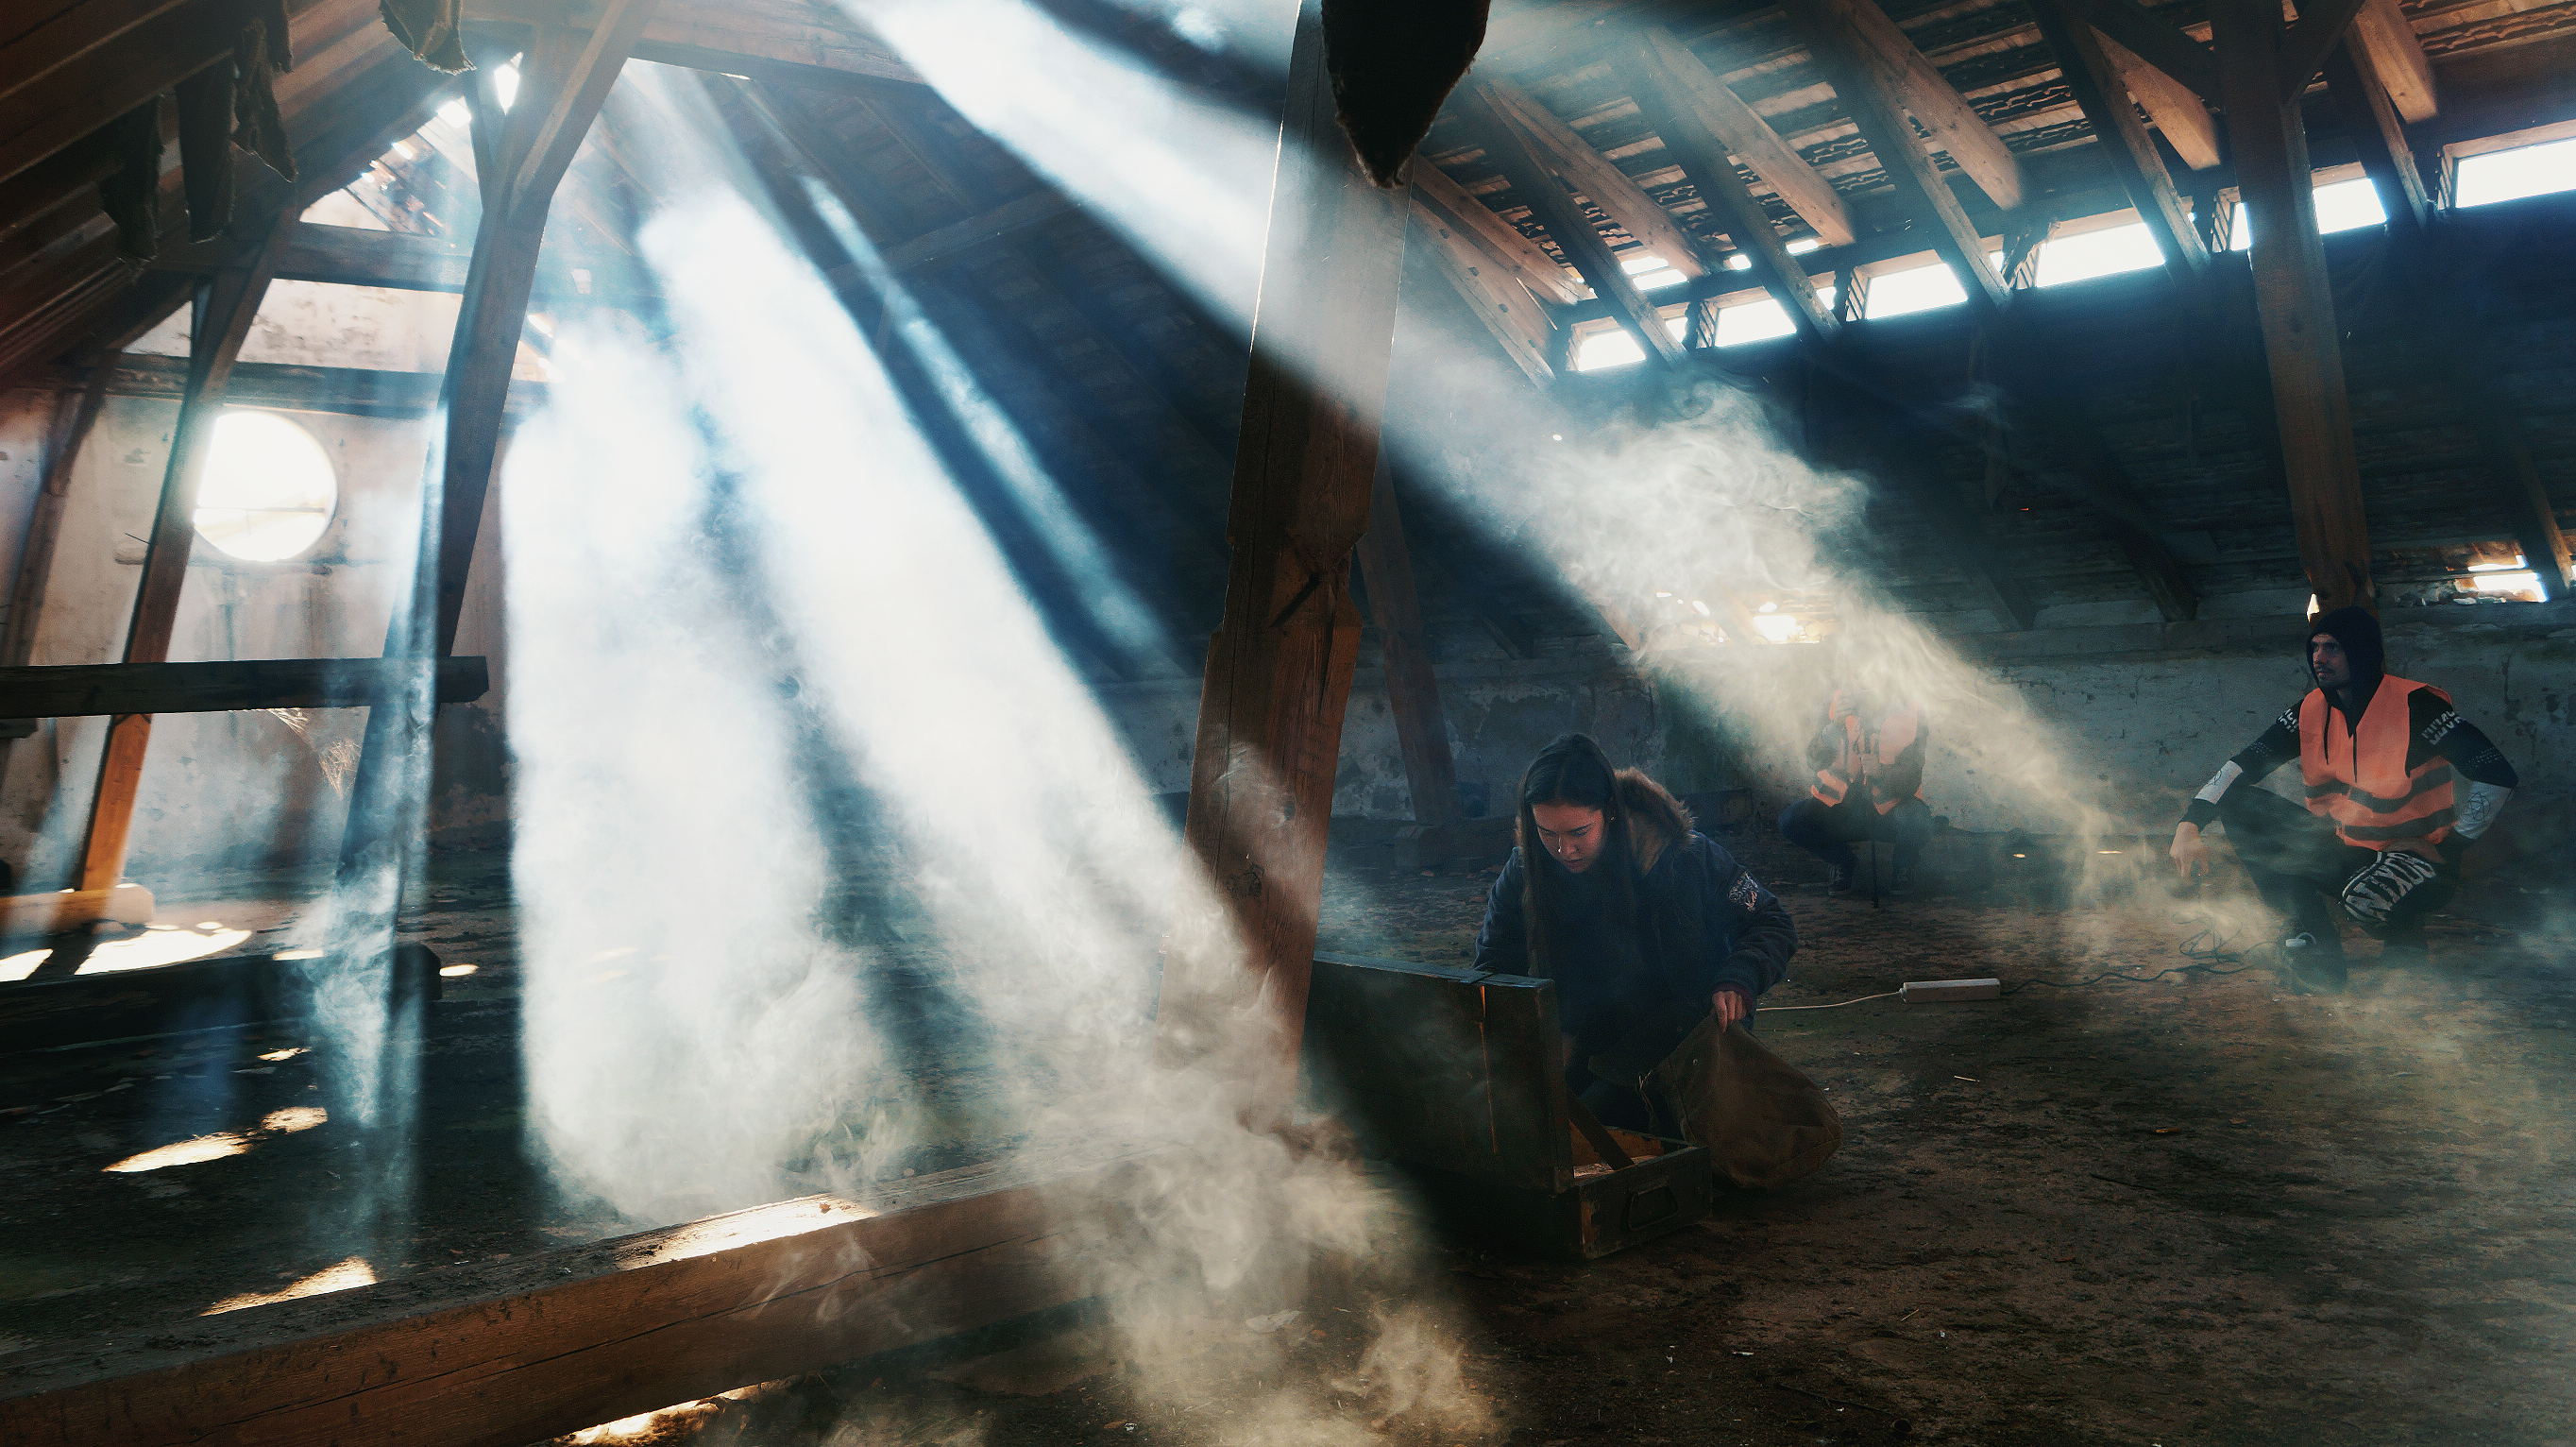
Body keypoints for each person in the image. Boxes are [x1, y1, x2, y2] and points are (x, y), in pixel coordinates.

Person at [2169, 605, 2517, 991]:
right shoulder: (2309, 710)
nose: (2319, 657)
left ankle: (2405, 936)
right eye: (2315, 648)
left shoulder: (2415, 706)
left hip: (2419, 863)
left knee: (2367, 897)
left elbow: (2497, 775)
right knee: (2241, 805)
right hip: (2348, 848)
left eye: (2333, 647)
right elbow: (2241, 766)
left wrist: (2451, 847)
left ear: (2362, 652)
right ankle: (2311, 947)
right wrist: (2190, 825)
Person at [1472, 734, 1797, 1135]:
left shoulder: (1683, 855)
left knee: (1588, 1132)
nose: (1563, 850)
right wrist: (1539, 1032)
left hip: (1683, 1032)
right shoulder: (1527, 868)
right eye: (1547, 833)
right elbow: (1493, 964)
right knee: (1517, 1121)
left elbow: (1771, 920)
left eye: (1578, 832)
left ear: (1609, 811)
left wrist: (1740, 978)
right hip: (1589, 1037)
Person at [1778, 690, 1933, 894]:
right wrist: (1833, 728)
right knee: (1791, 820)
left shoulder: (1912, 713)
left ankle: (1903, 867)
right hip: (1844, 811)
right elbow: (1813, 760)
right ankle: (1843, 862)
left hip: (1891, 812)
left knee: (1918, 818)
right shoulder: (1835, 706)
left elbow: (1913, 775)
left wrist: (1881, 772)